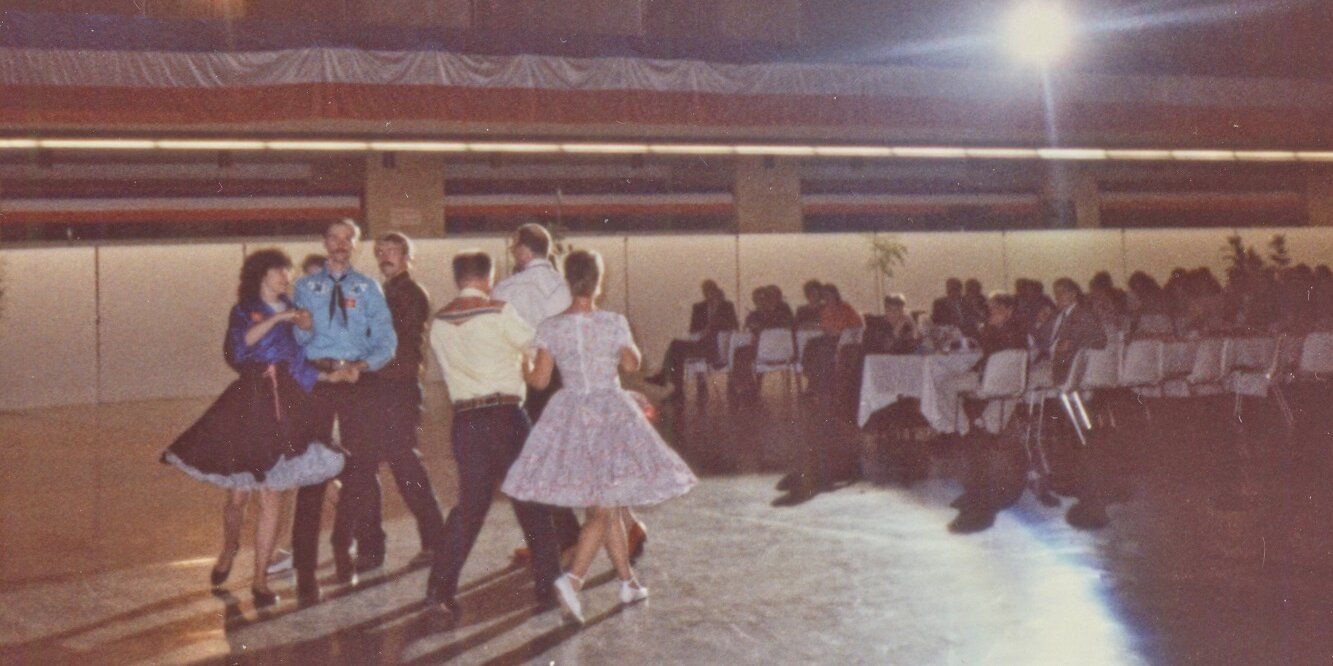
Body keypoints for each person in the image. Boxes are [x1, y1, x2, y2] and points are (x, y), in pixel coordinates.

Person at [502, 249, 698, 624]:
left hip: (571, 415)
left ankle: (628, 582)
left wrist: (525, 364)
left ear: (567, 281)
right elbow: (632, 363)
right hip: (609, 413)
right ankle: (572, 580)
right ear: (598, 282)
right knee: (605, 507)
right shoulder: (613, 321)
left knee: (606, 503)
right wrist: (622, 345)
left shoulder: (551, 326)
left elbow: (539, 381)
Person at [161, 249, 348, 608]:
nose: (286, 278)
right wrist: (280, 319)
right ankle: (229, 547)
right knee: (237, 497)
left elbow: (299, 363)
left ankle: (260, 578)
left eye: (288, 272)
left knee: (272, 492)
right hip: (249, 403)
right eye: (281, 271)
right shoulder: (245, 310)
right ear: (263, 274)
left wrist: (328, 374)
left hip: (284, 403)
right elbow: (237, 349)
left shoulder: (294, 310)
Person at [424, 250, 564, 623]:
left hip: (466, 421)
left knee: (470, 508)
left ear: (457, 278)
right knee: (530, 502)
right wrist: (533, 363)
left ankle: (439, 590)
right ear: (489, 278)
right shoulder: (501, 312)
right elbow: (539, 351)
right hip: (506, 417)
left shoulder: (439, 322)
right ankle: (549, 586)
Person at [289, 219, 397, 603]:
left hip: (355, 382)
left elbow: (386, 341)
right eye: (333, 238)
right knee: (312, 474)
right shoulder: (305, 287)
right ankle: (305, 568)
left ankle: (343, 545)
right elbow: (296, 340)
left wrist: (361, 366)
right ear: (324, 242)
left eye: (347, 238)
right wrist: (303, 328)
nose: (340, 244)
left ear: (355, 244)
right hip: (319, 383)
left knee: (359, 471)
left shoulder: (368, 288)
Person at [369, 232, 447, 565]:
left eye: (393, 251)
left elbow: (397, 341)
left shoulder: (411, 293)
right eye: (380, 251)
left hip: (398, 388)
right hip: (380, 388)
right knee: (371, 465)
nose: (385, 256)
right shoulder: (384, 292)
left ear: (407, 258)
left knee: (404, 463)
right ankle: (372, 544)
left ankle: (436, 539)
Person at [949, 293, 1029, 534]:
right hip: (1006, 392)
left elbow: (991, 355)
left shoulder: (1005, 333)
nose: (990, 313)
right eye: (990, 309)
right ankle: (975, 489)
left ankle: (977, 490)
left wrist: (988, 331)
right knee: (968, 414)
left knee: (960, 400)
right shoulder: (1015, 331)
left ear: (1007, 310)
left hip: (996, 393)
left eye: (995, 309)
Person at [646, 279, 739, 400]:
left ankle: (670, 383)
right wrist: (703, 331)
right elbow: (693, 329)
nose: (709, 295)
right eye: (706, 292)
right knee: (676, 349)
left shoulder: (727, 306)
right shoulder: (699, 307)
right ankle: (675, 388)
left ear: (717, 291)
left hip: (717, 349)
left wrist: (714, 325)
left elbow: (734, 326)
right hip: (701, 343)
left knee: (676, 348)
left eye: (711, 291)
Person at [730, 285, 795, 398]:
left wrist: (759, 328)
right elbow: (747, 327)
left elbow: (785, 328)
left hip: (771, 351)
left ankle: (748, 388)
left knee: (740, 353)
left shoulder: (780, 313)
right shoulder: (754, 315)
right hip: (771, 352)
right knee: (740, 353)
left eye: (762, 298)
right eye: (756, 300)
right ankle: (747, 387)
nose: (759, 302)